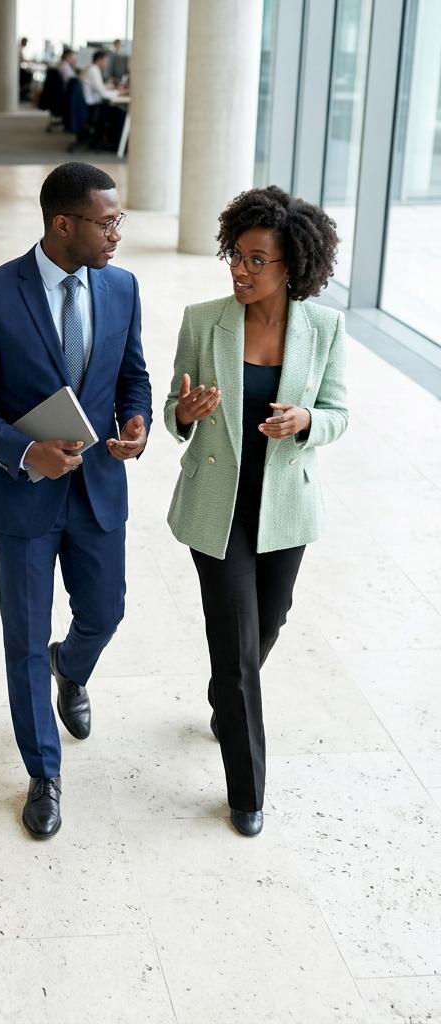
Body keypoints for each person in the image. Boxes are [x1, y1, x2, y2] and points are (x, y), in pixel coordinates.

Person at [0, 163, 152, 838]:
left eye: (119, 220)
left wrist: (136, 424)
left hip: (98, 490)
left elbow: (133, 379)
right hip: (23, 496)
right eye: (108, 221)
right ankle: (44, 773)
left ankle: (76, 665)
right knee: (25, 640)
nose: (118, 234)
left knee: (106, 611)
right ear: (65, 224)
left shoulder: (122, 289)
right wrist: (25, 451)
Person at [163, 186, 347, 838]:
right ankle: (247, 792)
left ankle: (225, 704)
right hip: (218, 507)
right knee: (236, 651)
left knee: (271, 620)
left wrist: (306, 421)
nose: (240, 270)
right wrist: (184, 415)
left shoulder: (323, 329)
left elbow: (339, 414)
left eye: (256, 261)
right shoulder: (202, 321)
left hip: (284, 507)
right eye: (235, 257)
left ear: (291, 266)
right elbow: (172, 411)